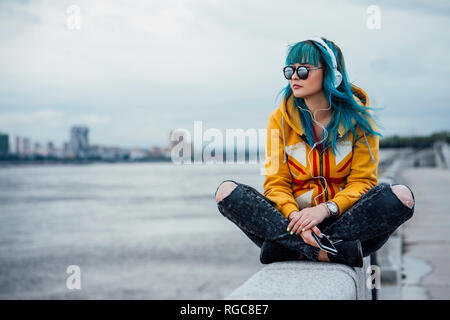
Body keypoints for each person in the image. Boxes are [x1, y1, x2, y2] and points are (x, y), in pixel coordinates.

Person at [214, 37, 415, 267]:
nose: (294, 77)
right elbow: (276, 184)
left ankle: (291, 249)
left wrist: (325, 210)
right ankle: (329, 251)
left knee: (401, 197)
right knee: (226, 192)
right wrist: (294, 217)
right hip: (293, 226)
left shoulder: (360, 121)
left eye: (303, 70)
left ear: (332, 74)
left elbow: (362, 183)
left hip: (347, 223)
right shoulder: (278, 120)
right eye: (289, 70)